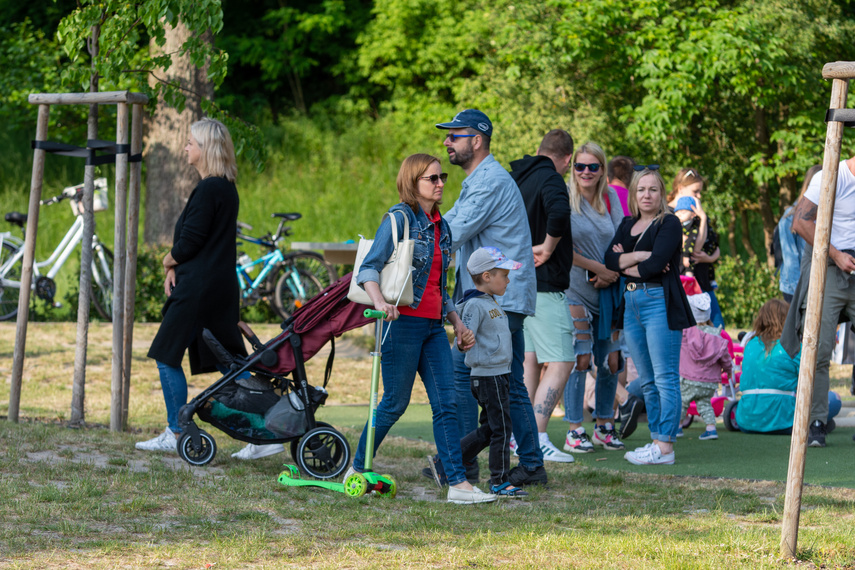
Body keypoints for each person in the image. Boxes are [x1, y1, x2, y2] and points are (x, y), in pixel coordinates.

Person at [348, 153, 495, 505]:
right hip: (400, 325)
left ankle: (457, 485)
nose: (441, 182)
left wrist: (457, 324)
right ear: (413, 182)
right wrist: (381, 303)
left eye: (442, 176)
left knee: (447, 403)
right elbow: (368, 269)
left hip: (432, 328)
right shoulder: (399, 219)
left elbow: (439, 288)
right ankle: (356, 467)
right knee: (395, 404)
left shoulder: (441, 226)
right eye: (432, 178)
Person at [436, 109, 545, 487]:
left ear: (477, 140)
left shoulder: (490, 182)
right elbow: (452, 223)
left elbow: (454, 229)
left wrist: (407, 229)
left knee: (461, 375)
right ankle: (531, 465)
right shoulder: (483, 179)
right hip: (503, 298)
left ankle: (462, 466)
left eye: (455, 135)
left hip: (499, 299)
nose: (447, 141)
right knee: (510, 382)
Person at [139, 118, 248, 453]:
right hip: (217, 286)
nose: (185, 147)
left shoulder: (209, 188)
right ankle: (266, 430)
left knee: (166, 354)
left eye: (190, 142)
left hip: (199, 290)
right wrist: (178, 268)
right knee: (229, 362)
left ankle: (176, 432)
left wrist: (167, 261)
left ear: (205, 149)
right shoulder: (225, 187)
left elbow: (191, 242)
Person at [605, 166, 695, 465]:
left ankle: (665, 445)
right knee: (646, 379)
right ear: (633, 194)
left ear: (661, 194)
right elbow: (609, 259)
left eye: (653, 189)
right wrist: (638, 258)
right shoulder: (627, 223)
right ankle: (657, 441)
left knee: (665, 377)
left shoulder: (668, 223)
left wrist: (628, 262)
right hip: (630, 303)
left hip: (658, 301)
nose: (646, 195)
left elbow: (655, 265)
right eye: (641, 189)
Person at [509, 129, 576, 463]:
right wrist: (549, 247)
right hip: (546, 284)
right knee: (563, 360)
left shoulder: (517, 178)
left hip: (518, 283)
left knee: (529, 359)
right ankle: (535, 436)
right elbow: (560, 212)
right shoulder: (551, 178)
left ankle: (519, 435)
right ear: (566, 158)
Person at [782, 154, 855, 447]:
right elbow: (800, 222)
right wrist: (836, 254)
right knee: (819, 348)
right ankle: (816, 423)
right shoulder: (830, 175)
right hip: (830, 266)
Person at [563, 142, 626, 454]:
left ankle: (604, 425)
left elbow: (622, 240)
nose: (585, 172)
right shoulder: (564, 197)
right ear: (573, 168)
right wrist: (598, 269)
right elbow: (560, 248)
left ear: (602, 170)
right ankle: (575, 429)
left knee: (611, 361)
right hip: (575, 287)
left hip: (609, 289)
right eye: (580, 166)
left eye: (593, 166)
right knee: (581, 357)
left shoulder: (611, 197)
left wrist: (609, 273)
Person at [457, 247, 529, 497]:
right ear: (487, 276)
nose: (508, 280)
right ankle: (499, 480)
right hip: (488, 377)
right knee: (501, 430)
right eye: (504, 275)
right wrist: (463, 341)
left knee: (490, 429)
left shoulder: (490, 302)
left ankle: (447, 462)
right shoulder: (475, 305)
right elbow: (464, 333)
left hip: (498, 375)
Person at [738, 299, 841, 434]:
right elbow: (810, 383)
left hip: (746, 421)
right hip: (785, 421)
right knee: (834, 399)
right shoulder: (793, 347)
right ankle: (818, 423)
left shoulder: (750, 345)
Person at [667, 168, 723, 328]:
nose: (699, 196)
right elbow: (693, 247)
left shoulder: (695, 212)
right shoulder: (670, 214)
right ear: (681, 189)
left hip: (703, 279)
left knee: (718, 328)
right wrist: (702, 218)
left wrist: (711, 257)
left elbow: (713, 244)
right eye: (695, 191)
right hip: (686, 283)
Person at [677, 292, 732, 441]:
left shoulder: (685, 333)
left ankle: (678, 427)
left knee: (682, 403)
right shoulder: (717, 336)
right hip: (709, 383)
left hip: (688, 379)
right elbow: (726, 358)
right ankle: (711, 429)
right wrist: (729, 371)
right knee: (704, 403)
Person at [777, 165, 820, 303]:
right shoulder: (790, 217)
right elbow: (791, 260)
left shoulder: (827, 216)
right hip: (795, 286)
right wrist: (800, 296)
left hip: (816, 284)